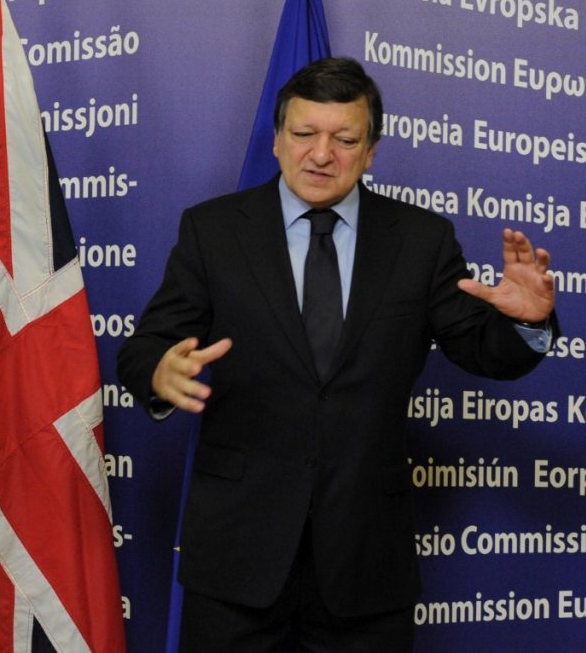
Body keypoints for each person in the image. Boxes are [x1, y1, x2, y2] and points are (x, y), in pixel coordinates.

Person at [117, 57, 557, 651]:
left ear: (370, 150)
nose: (321, 154)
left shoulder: (421, 240)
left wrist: (528, 325)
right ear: (276, 141)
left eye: (345, 139)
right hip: (237, 556)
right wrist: (160, 372)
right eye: (304, 135)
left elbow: (482, 349)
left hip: (366, 563)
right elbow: (146, 346)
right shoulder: (214, 230)